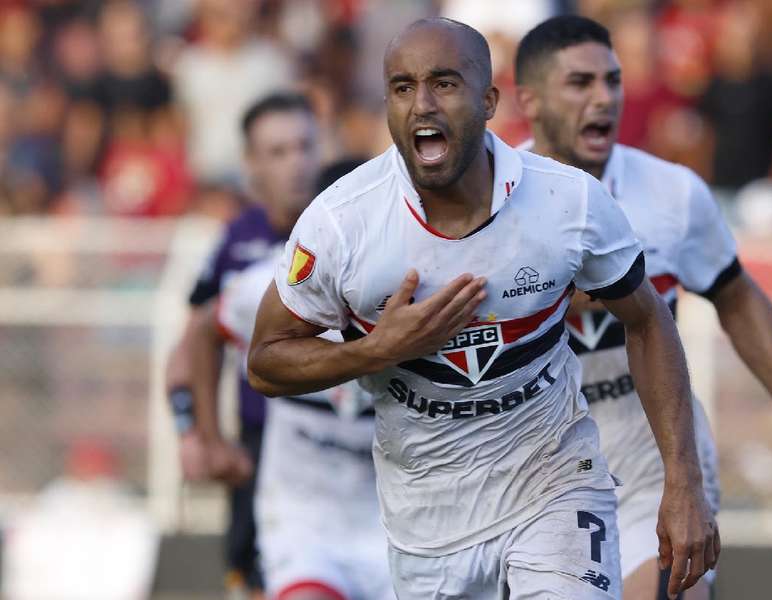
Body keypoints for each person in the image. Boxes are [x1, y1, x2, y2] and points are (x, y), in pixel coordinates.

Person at [248, 17, 718, 600]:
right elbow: (265, 360)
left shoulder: (567, 202)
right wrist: (378, 350)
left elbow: (648, 320)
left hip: (553, 486)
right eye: (402, 87)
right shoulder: (340, 224)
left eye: (444, 83)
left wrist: (684, 481)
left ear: (489, 100)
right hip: (428, 523)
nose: (422, 104)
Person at [513, 15, 772, 600]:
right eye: (580, 83)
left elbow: (736, 294)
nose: (604, 98)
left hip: (657, 462)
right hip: (543, 475)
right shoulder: (495, 202)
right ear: (530, 101)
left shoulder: (671, 193)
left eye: (613, 81)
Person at [165, 91, 321, 597]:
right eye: (278, 152)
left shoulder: (346, 231)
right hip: (260, 450)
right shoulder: (235, 241)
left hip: (343, 452)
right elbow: (189, 345)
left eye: (304, 146)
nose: (296, 163)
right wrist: (195, 434)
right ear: (251, 164)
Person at [192, 242, 392, 600]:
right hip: (302, 522)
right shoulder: (271, 287)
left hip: (398, 520)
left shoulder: (430, 287)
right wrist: (209, 437)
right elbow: (204, 329)